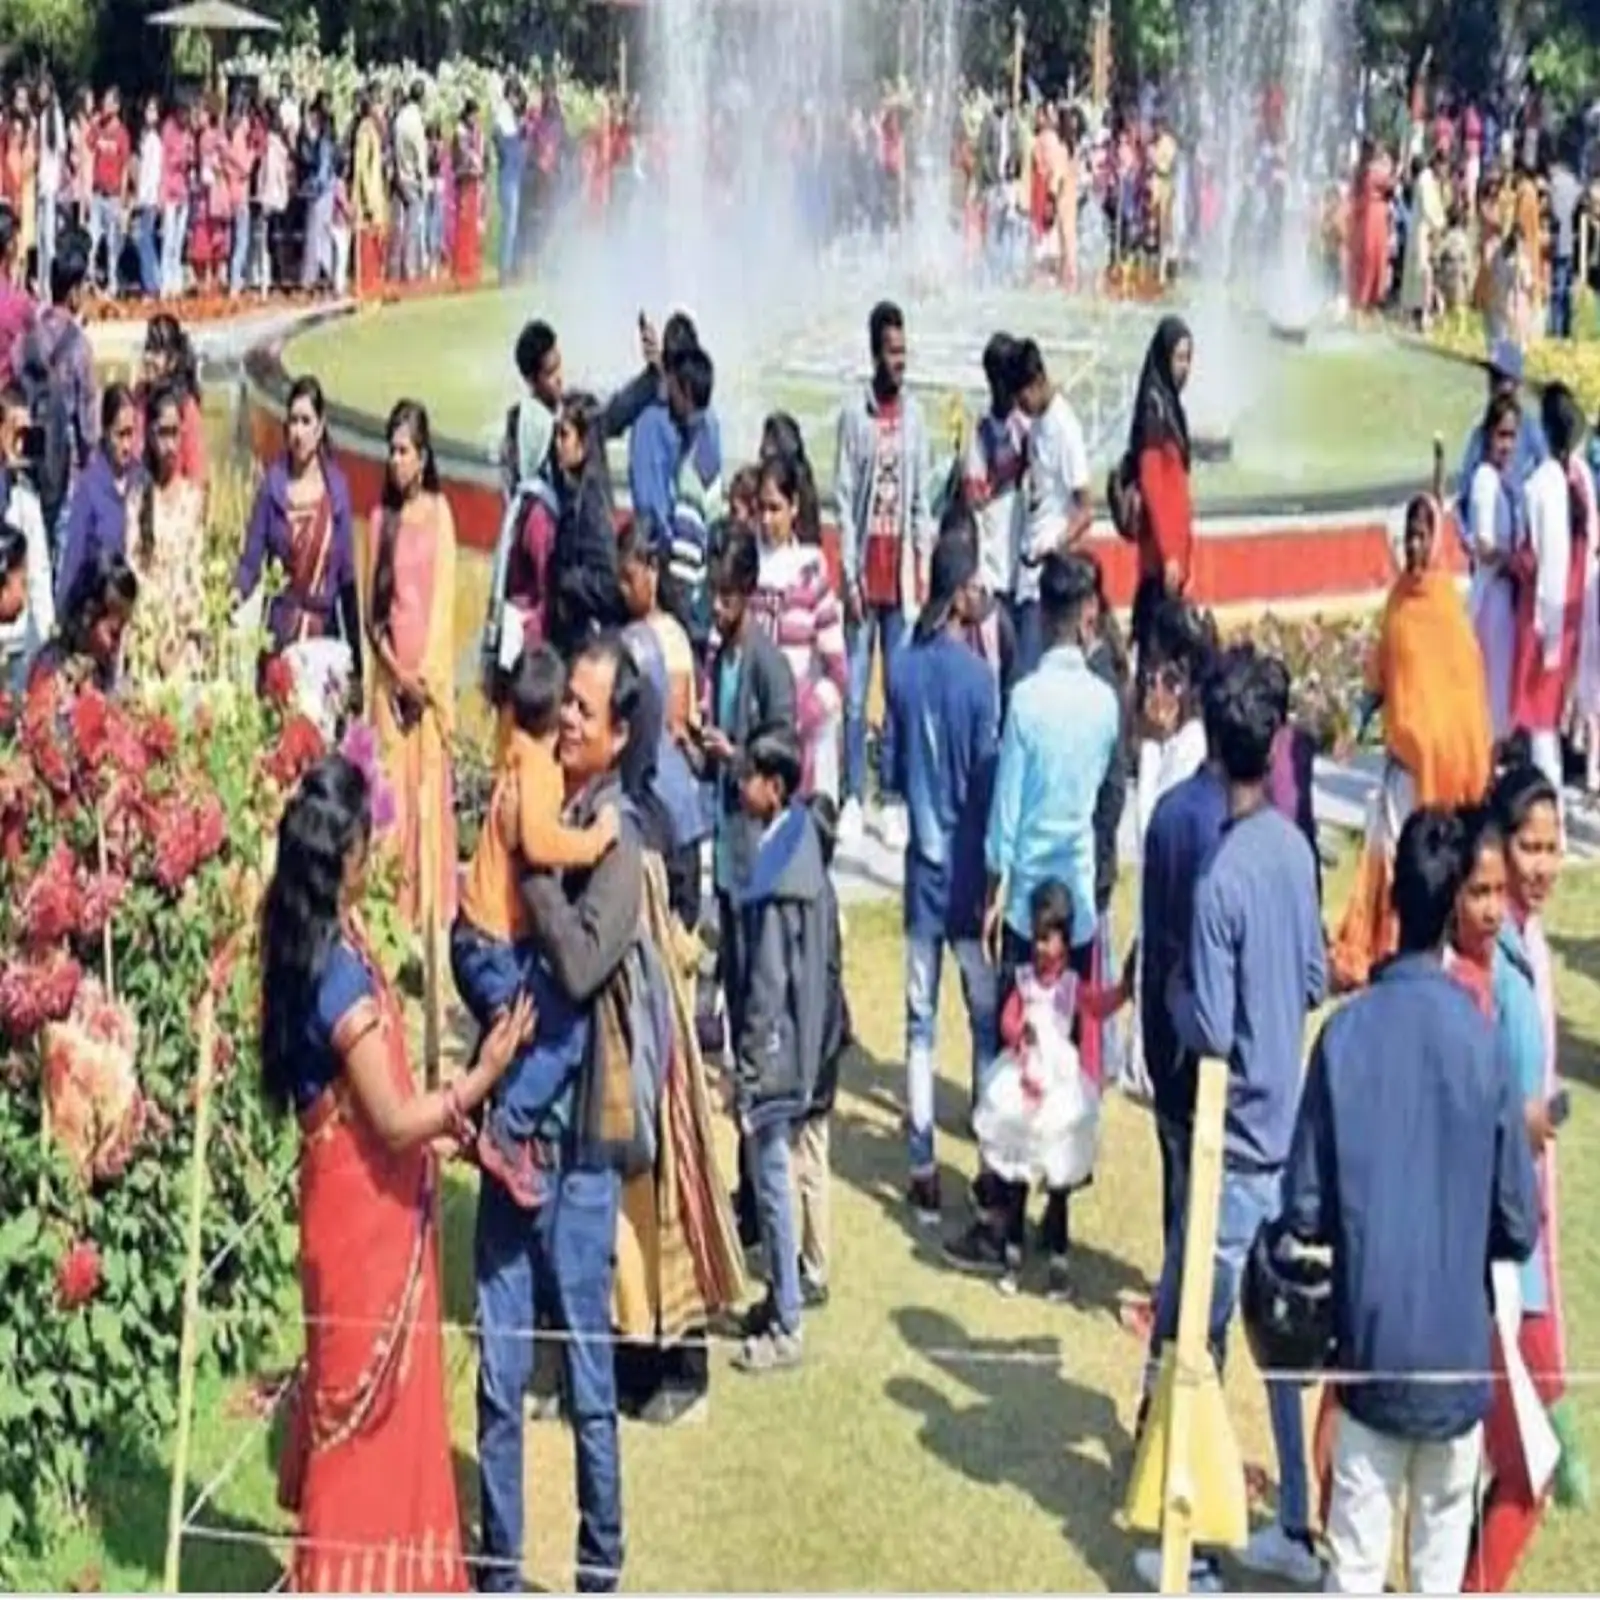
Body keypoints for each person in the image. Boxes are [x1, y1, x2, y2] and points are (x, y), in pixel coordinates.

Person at [261, 754, 532, 1595]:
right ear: (341, 859)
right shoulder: (336, 977)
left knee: (379, 1419)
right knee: (362, 1426)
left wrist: (438, 1136)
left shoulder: (307, 939)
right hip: (365, 1238)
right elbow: (388, 1119)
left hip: (350, 1212)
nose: (373, 854)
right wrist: (481, 1077)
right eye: (364, 845)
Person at [1279, 807, 1538, 1595]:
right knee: (1434, 1574)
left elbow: (1303, 1209)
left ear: (1395, 903)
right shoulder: (1482, 1043)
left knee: (1355, 1570)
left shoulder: (1345, 1037)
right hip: (1455, 1363)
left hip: (1371, 1353)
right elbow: (1518, 1223)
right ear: (1455, 906)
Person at [1133, 645, 1327, 1592]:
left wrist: (1173, 988)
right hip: (1288, 1136)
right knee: (1282, 1340)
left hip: (1235, 1145)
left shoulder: (1220, 880)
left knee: (1193, 1341)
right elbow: (1316, 977)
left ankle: (1199, 1545)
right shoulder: (1295, 850)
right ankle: (1292, 1520)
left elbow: (1209, 1028)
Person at [476, 637, 646, 1594]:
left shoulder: (622, 840)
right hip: (513, 1141)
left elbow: (580, 965)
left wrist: (527, 859)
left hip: (578, 1155)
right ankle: (498, 1572)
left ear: (619, 735)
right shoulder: (537, 786)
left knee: (587, 1382)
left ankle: (598, 1572)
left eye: (586, 708)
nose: (569, 718)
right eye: (567, 702)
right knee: (499, 1378)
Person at [1461, 755, 1586, 1589]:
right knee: (1532, 1465)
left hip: (1528, 1245)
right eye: (1528, 847)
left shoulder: (1531, 945)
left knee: (1523, 1459)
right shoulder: (1489, 963)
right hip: (1500, 1257)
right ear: (1498, 847)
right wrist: (1524, 1123)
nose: (1541, 866)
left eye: (1553, 847)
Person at [453, 644, 618, 1204]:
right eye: (569, 703)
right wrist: (595, 841)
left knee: (513, 1019)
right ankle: (506, 1131)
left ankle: (467, 1114)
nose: (572, 716)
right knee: (557, 1033)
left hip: (477, 934)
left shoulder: (514, 748)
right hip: (491, 943)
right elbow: (542, 842)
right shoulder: (542, 769)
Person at [1332, 494, 1493, 989]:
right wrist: (1353, 726)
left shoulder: (1449, 613)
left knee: (1435, 868)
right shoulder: (1398, 602)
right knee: (1395, 865)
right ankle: (1390, 952)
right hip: (1402, 772)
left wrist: (1464, 763)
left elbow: (1466, 700)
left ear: (1437, 541)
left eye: (1423, 536)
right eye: (1410, 537)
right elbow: (1379, 678)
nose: (1416, 547)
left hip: (1442, 779)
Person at [887, 531, 1001, 1225]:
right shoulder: (981, 681)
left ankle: (922, 1163)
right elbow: (987, 787)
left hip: (921, 873)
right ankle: (987, 1163)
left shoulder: (902, 669)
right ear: (960, 594)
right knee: (983, 1023)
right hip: (968, 873)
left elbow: (895, 772)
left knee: (919, 1024)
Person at [728, 725, 831, 1375]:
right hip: (796, 1046)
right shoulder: (798, 846)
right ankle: (779, 1295)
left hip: (776, 1052)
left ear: (775, 787)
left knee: (771, 1182)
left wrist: (747, 1068)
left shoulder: (779, 873)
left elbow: (767, 983)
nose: (740, 787)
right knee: (772, 1178)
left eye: (749, 777)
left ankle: (788, 1321)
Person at [971, 877, 1126, 1298]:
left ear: (1065, 941)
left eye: (1049, 939)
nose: (1041, 948)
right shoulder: (1024, 980)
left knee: (1058, 1180)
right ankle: (1013, 1257)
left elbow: (1097, 1006)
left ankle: (1058, 1262)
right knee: (1018, 1175)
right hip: (1024, 1083)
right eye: (1037, 939)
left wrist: (1124, 989)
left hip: (1059, 1088)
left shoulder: (1071, 986)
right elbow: (1008, 1019)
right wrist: (1019, 1033)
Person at [834, 299, 933, 852]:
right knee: (854, 695)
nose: (900, 361)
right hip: (863, 578)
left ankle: (891, 795)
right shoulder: (856, 415)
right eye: (892, 351)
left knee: (897, 691)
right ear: (875, 353)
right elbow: (845, 499)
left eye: (903, 351)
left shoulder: (914, 417)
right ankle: (853, 795)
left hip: (899, 581)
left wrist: (921, 564)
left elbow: (921, 501)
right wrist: (848, 576)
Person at [364, 399, 457, 930]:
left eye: (404, 451)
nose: (395, 460)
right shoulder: (381, 520)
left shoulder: (441, 515)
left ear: (423, 457)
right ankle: (388, 920)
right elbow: (373, 615)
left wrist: (424, 683)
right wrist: (398, 676)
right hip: (390, 688)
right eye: (391, 450)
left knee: (426, 798)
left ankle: (428, 922)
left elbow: (443, 608)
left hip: (428, 689)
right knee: (392, 802)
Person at [235, 374, 362, 712]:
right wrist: (226, 602)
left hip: (323, 641)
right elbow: (250, 563)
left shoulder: (336, 492)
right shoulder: (272, 488)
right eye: (292, 421)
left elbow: (347, 580)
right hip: (280, 635)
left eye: (306, 421)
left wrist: (358, 667)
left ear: (320, 427)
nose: (298, 431)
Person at [616, 522, 707, 928]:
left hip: (669, 812)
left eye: (629, 577)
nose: (622, 588)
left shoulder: (665, 639)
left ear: (652, 571)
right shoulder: (626, 636)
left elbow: (675, 724)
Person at [1514, 383, 1596, 808]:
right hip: (1576, 611)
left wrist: (1545, 636)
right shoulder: (1580, 478)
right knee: (1552, 716)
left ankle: (1550, 808)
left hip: (1548, 615)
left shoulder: (1543, 483)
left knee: (1541, 721)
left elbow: (1546, 560)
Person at [753, 451, 846, 799]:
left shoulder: (809, 573)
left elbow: (838, 672)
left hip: (794, 743)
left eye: (775, 508)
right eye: (761, 508)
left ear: (793, 507)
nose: (766, 520)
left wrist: (804, 714)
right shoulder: (745, 566)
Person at [1012, 338, 1092, 676]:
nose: (1020, 406)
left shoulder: (1064, 428)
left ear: (1038, 382)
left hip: (1044, 579)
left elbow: (1085, 511)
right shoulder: (1037, 423)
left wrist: (1054, 547)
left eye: (1023, 397)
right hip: (1025, 575)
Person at [16, 226, 97, 542]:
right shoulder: (79, 347)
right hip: (67, 471)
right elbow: (88, 429)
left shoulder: (28, 338)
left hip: (31, 466)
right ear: (75, 292)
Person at [123, 383, 205, 689]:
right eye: (162, 434)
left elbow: (195, 571)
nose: (169, 445)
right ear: (150, 436)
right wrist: (154, 638)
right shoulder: (138, 499)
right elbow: (135, 570)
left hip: (183, 639)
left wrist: (186, 639)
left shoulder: (192, 499)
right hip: (147, 634)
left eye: (175, 433)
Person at [1123, 317, 1194, 656]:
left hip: (1172, 553)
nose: (1185, 368)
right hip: (1160, 558)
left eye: (1188, 359)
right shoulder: (1155, 408)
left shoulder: (1170, 404)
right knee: (1157, 646)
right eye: (1179, 358)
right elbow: (1153, 482)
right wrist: (1169, 555)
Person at [1467, 393, 1526, 740]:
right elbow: (1483, 546)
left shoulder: (1505, 482)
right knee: (1493, 691)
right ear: (1488, 435)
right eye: (1501, 435)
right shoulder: (1485, 480)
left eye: (1512, 436)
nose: (1507, 445)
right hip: (1492, 600)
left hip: (1505, 598)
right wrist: (1515, 562)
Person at [55, 383, 139, 611]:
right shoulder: (89, 488)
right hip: (103, 611)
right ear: (106, 431)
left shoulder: (141, 481)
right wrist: (64, 612)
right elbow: (74, 557)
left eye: (131, 434)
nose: (127, 445)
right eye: (120, 435)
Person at [0, 382, 54, 690]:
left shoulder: (26, 496)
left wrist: (46, 643)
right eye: (15, 433)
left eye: (26, 434)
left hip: (18, 643)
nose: (20, 445)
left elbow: (40, 573)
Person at [29, 548, 138, 697]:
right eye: (113, 634)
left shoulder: (100, 670)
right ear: (88, 617)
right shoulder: (50, 669)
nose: (117, 645)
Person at [133, 312, 205, 485]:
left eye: (156, 351)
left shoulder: (185, 408)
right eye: (147, 348)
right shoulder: (138, 399)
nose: (148, 357)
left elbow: (197, 476)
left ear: (173, 361)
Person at [451, 98, 485, 285]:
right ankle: (461, 267)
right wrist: (474, 164)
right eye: (474, 115)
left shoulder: (476, 132)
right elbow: (463, 157)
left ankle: (471, 264)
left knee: (473, 225)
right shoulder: (460, 132)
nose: (476, 119)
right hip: (464, 181)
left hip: (475, 182)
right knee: (463, 224)